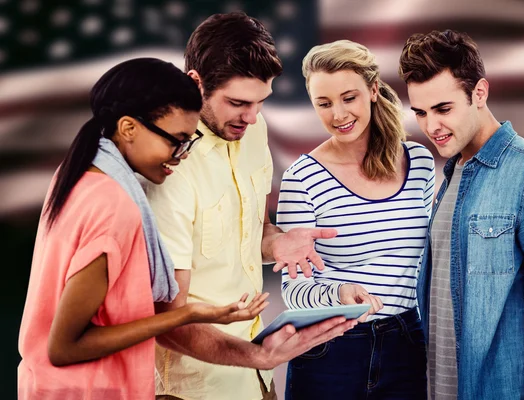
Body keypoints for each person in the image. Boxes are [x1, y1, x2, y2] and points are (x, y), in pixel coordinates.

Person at [18, 57, 355, 400]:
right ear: (128, 128)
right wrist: (187, 314)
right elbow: (64, 346)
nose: (181, 155)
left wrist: (274, 242)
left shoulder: (79, 175)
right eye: (176, 140)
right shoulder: (115, 206)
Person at [144, 12, 349, 400]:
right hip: (193, 388)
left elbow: (250, 230)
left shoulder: (254, 129)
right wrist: (257, 356)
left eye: (260, 102)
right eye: (238, 102)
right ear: (195, 83)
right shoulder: (168, 166)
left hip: (256, 379)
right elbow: (168, 321)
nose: (252, 117)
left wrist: (276, 243)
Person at [398, 30, 524, 399]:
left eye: (444, 108)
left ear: (479, 93)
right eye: (421, 112)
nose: (431, 126)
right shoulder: (451, 175)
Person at [276, 40, 435, 399]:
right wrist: (339, 294)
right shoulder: (302, 178)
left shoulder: (419, 162)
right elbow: (292, 288)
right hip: (330, 347)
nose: (338, 114)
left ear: (374, 90)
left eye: (349, 98)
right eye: (324, 103)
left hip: (406, 341)